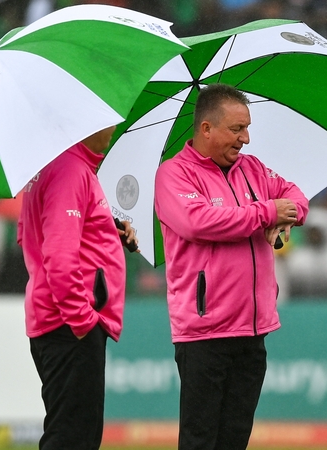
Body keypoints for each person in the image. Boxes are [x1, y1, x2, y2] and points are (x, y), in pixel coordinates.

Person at [153, 83, 309, 450]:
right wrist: (267, 212)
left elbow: (295, 196)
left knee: (234, 439)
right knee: (200, 440)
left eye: (247, 127)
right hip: (205, 331)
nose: (246, 139)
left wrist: (286, 216)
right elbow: (199, 222)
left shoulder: (252, 169)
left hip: (253, 328)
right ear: (206, 128)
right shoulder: (173, 175)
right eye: (237, 129)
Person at [17, 125, 137, 450]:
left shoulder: (53, 168)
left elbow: (29, 234)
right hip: (70, 324)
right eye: (106, 119)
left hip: (57, 321)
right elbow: (58, 253)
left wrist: (108, 229)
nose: (113, 126)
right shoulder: (70, 169)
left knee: (71, 433)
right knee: (73, 439)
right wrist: (82, 319)